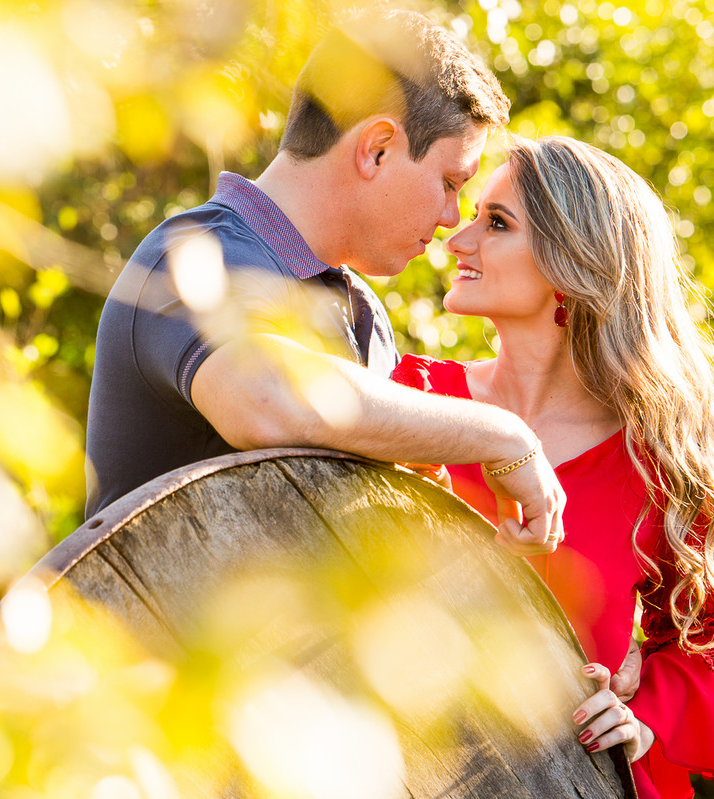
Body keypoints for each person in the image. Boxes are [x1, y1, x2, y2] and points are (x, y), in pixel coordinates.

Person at [84, 10, 565, 556]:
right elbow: (264, 398)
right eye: (449, 182)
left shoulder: (364, 314)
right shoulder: (191, 255)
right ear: (376, 148)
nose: (452, 217)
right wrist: (501, 435)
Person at [391, 135, 714, 798]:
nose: (457, 241)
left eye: (496, 223)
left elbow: (702, 642)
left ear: (572, 261)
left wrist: (641, 718)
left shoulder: (661, 460)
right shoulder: (409, 394)